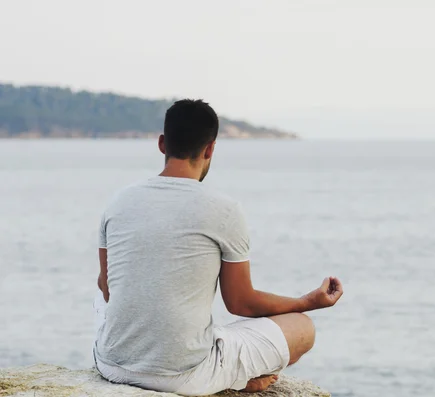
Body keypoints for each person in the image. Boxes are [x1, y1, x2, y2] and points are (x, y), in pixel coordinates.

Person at [93, 99, 343, 396]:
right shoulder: (223, 210)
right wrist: (306, 302)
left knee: (108, 288)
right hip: (184, 376)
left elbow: (107, 288)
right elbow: (241, 303)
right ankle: (235, 379)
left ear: (162, 144)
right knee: (303, 328)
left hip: (112, 366)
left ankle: (225, 371)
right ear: (210, 149)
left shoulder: (118, 202)